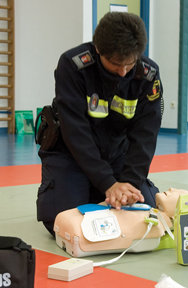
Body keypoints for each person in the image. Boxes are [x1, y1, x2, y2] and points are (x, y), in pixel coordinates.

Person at [36, 12, 163, 236]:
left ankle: (103, 195)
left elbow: (146, 134)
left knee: (145, 213)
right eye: (115, 64)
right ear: (97, 49)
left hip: (116, 154)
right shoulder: (73, 65)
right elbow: (75, 131)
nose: (123, 71)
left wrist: (128, 184)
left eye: (130, 64)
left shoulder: (147, 74)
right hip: (71, 153)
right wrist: (107, 182)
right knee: (61, 221)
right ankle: (97, 192)